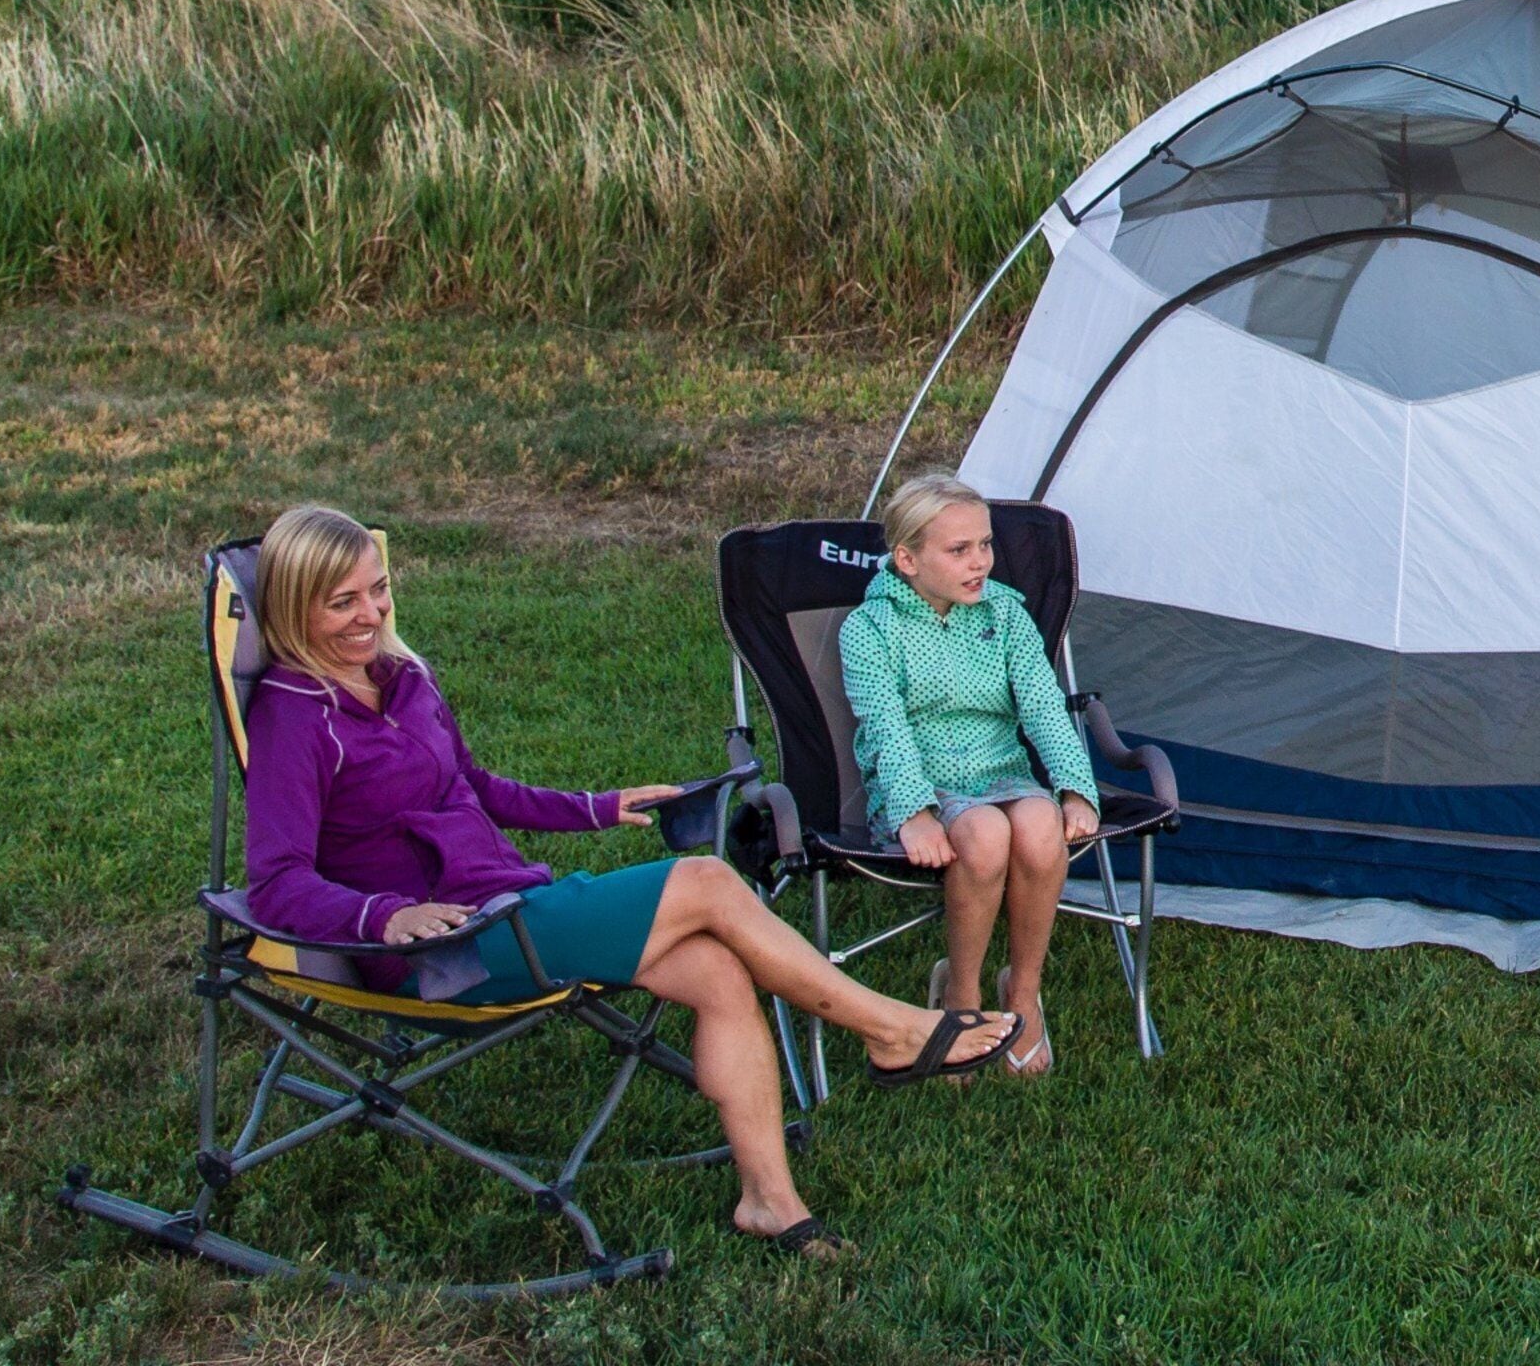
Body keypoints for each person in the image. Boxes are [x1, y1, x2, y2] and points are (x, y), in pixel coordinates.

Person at [239, 503, 1013, 1262]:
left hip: (510, 906)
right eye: (341, 602)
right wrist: (388, 919)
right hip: (447, 952)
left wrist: (596, 808)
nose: (370, 613)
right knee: (706, 881)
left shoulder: (402, 679)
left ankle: (769, 1201)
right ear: (290, 608)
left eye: (377, 589)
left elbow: (470, 785)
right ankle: (893, 1030)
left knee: (714, 970)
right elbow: (275, 883)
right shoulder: (295, 717)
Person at [838, 475, 1102, 1077]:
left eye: (984, 544)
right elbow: (885, 729)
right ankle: (960, 1001)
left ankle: (1023, 994)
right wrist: (915, 812)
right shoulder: (871, 630)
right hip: (923, 784)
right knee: (984, 836)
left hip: (1001, 771)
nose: (980, 561)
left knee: (1039, 825)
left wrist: (1073, 787)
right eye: (959, 551)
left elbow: (1041, 705)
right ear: (907, 559)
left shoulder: (1005, 612)